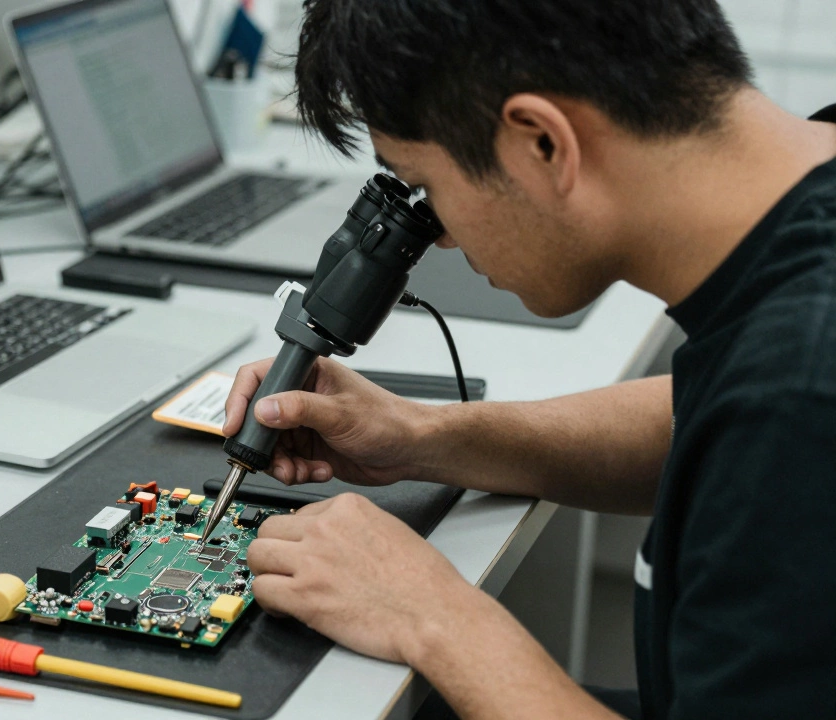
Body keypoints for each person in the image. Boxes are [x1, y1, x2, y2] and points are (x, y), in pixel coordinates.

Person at [227, 1, 836, 718]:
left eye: (428, 188)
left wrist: (433, 616)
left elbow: (775, 420)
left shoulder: (802, 386)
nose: (441, 238)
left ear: (542, 142)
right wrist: (420, 437)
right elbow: (705, 419)